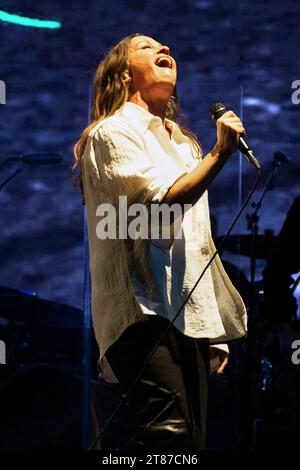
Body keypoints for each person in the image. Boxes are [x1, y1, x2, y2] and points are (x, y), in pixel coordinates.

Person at [73, 33, 247, 450]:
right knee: (168, 436)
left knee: (191, 442)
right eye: (148, 48)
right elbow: (155, 207)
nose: (164, 49)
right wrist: (220, 155)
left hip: (187, 316)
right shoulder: (112, 133)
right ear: (122, 72)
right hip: (142, 309)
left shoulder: (185, 144)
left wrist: (212, 330)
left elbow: (197, 240)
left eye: (165, 47)